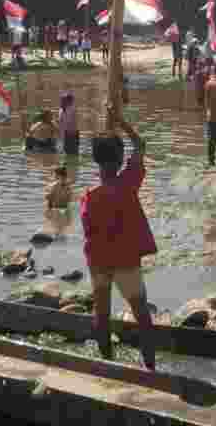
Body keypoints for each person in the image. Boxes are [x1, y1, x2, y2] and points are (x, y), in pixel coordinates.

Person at [81, 104, 157, 370]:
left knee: (101, 315)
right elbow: (140, 145)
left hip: (99, 261)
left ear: (96, 160)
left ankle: (107, 366)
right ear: (120, 158)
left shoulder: (89, 197)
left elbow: (90, 232)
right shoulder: (127, 184)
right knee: (142, 315)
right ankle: (150, 369)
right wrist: (120, 121)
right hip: (126, 260)